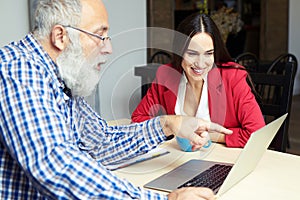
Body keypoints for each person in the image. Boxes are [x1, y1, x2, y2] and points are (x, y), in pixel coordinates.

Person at [0, 0, 233, 199]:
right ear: (61, 36)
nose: (109, 47)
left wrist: (169, 123)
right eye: (99, 36)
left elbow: (102, 143)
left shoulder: (62, 78)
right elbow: (56, 165)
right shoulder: (17, 70)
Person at [132, 13, 265, 148]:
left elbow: (258, 135)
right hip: (176, 160)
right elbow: (138, 121)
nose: (201, 64)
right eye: (192, 53)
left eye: (208, 53)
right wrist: (172, 126)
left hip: (220, 161)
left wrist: (211, 135)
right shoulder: (166, 75)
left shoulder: (233, 78)